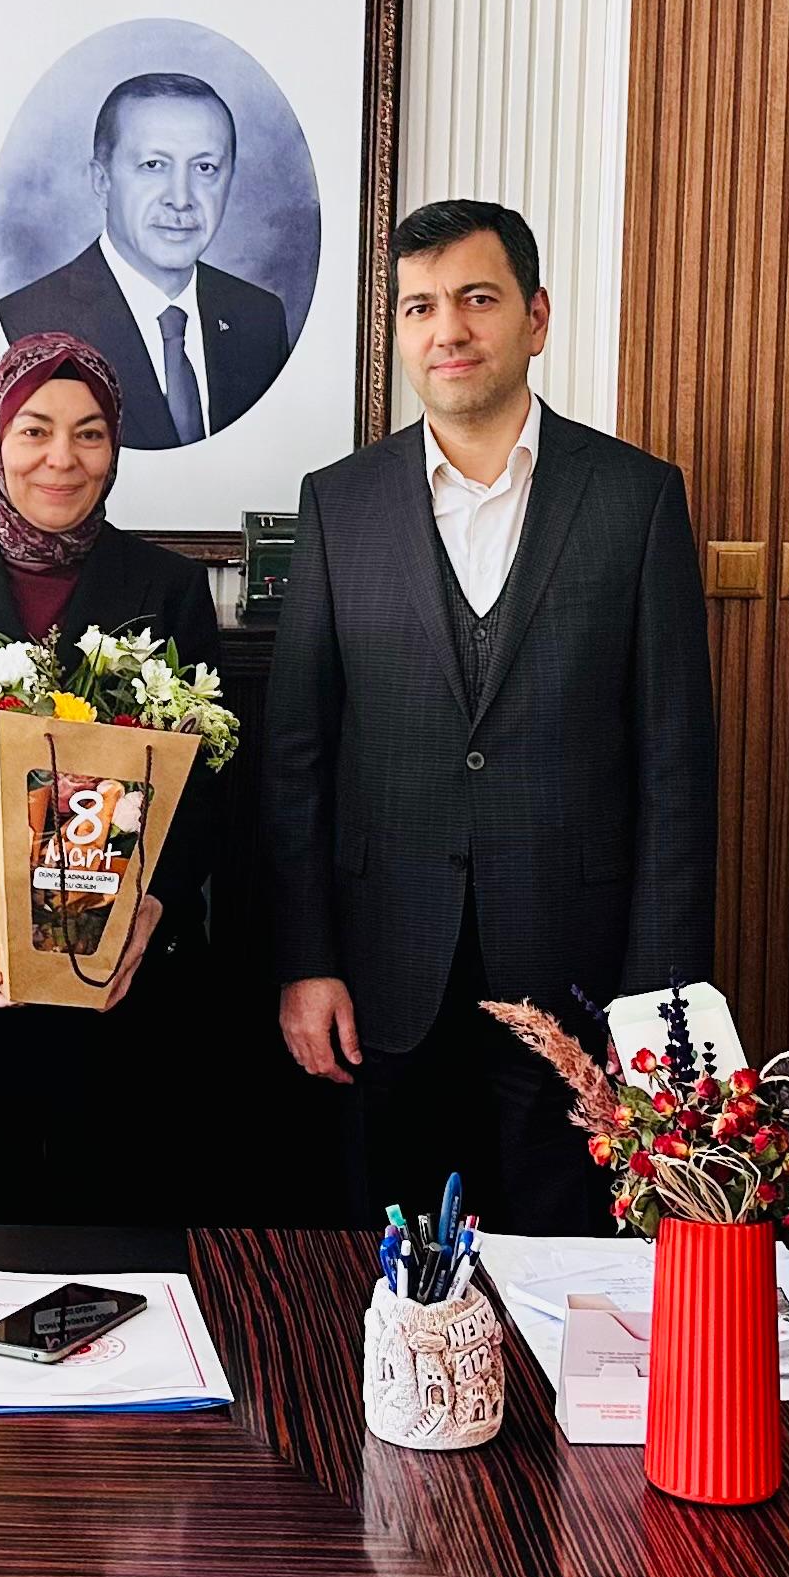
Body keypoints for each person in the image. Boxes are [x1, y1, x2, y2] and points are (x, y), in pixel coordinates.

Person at [265, 198, 715, 1234]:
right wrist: (305, 960)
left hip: (576, 977)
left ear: (535, 318)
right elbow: (297, 761)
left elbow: (676, 772)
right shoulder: (340, 503)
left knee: (569, 1272)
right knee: (397, 1279)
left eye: (477, 299)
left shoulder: (635, 499)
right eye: (420, 307)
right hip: (382, 976)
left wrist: (659, 1009)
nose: (448, 330)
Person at [0, 333, 231, 1224]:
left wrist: (156, 904)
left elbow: (210, 790)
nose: (62, 458)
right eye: (34, 430)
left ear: (115, 446)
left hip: (123, 1007)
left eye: (89, 432)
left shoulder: (170, 588)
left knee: (119, 1275)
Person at [0, 71, 293, 448]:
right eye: (154, 165)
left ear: (230, 179)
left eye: (205, 168)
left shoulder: (261, 319)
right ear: (101, 181)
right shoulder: (28, 323)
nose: (181, 198)